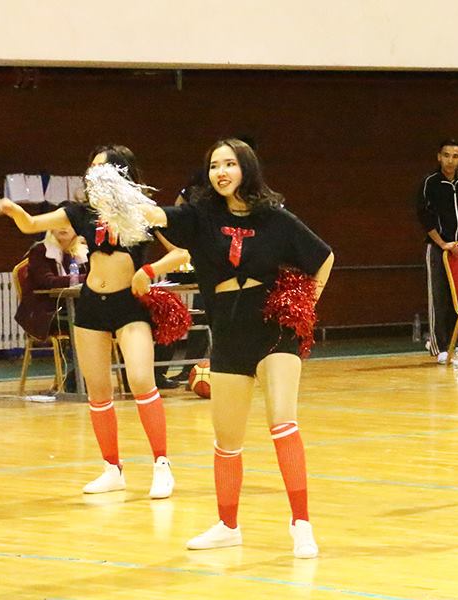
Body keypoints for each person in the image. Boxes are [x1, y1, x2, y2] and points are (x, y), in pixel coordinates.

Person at [143, 138, 334, 558]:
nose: (221, 172)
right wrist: (125, 201)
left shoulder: (275, 218)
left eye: (229, 164)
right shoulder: (200, 216)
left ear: (246, 168)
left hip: (273, 328)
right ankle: (227, 525)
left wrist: (304, 305)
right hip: (228, 332)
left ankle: (301, 523)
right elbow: (159, 216)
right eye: (214, 166)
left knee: (283, 422)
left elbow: (323, 257)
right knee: (226, 439)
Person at [0, 146, 184, 497]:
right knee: (98, 391)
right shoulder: (80, 212)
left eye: (101, 168)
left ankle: (161, 464)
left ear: (121, 173)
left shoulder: (142, 211)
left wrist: (149, 270)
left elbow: (181, 252)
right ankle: (112, 468)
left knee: (141, 380)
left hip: (129, 305)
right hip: (92, 306)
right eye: (91, 168)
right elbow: (31, 225)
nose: (93, 175)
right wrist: (12, 209)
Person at [417, 138, 458, 362]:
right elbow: (424, 217)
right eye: (446, 155)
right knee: (439, 297)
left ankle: (451, 343)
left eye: (455, 156)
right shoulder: (430, 182)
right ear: (439, 157)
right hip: (438, 249)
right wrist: (442, 243)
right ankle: (439, 346)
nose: (450, 161)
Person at [14, 224, 87, 390]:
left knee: (100, 319)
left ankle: (85, 378)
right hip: (44, 313)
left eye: (69, 224)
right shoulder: (40, 251)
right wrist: (86, 278)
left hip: (73, 309)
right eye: (58, 223)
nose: (63, 228)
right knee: (85, 324)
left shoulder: (82, 252)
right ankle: (76, 382)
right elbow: (49, 281)